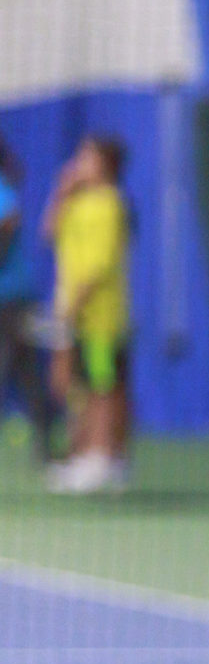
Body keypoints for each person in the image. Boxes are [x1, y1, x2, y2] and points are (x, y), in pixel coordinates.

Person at [44, 135, 131, 494]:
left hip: (101, 319)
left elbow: (99, 267)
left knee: (102, 387)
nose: (80, 163)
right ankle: (85, 457)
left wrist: (75, 307)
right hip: (72, 314)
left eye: (88, 157)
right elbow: (49, 232)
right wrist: (63, 190)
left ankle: (105, 459)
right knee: (77, 388)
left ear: (107, 165)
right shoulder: (77, 202)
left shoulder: (111, 205)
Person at [0, 132, 52, 464]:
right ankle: (45, 446)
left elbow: (7, 225)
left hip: (13, 298)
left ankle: (46, 447)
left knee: (25, 370)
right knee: (21, 370)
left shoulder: (3, 189)